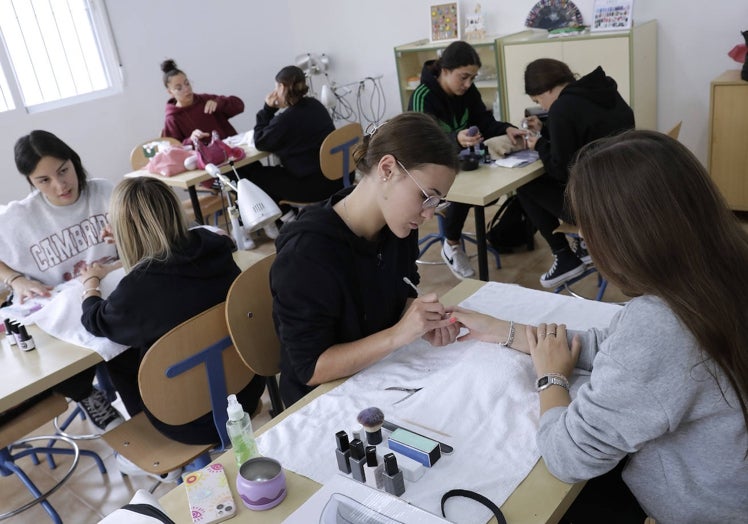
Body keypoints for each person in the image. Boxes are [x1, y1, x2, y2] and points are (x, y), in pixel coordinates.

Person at [450, 130, 748, 523]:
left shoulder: (662, 326)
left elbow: (567, 455)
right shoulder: (721, 266)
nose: (583, 239)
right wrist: (506, 331)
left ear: (627, 236)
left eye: (586, 230)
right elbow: (617, 346)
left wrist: (551, 379)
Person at [271, 112, 461, 407]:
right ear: (387, 169)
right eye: (426, 196)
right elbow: (310, 368)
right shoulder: (306, 255)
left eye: (436, 203)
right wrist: (399, 334)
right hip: (324, 400)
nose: (428, 214)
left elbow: (397, 295)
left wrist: (424, 318)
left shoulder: (396, 226)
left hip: (375, 372)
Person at [79, 178, 265, 471]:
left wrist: (91, 283)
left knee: (120, 357)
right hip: (247, 390)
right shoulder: (215, 246)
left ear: (123, 232)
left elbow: (95, 320)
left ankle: (167, 460)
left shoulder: (136, 291)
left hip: (188, 423)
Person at [0, 130, 123, 431]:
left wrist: (124, 235)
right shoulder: (19, 217)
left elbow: (145, 240)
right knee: (54, 350)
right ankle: (87, 394)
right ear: (31, 182)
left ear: (73, 162)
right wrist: (15, 279)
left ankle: (145, 417)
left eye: (63, 171)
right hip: (65, 310)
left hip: (110, 296)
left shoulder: (105, 192)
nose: (60, 185)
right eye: (44, 181)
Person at [408, 40, 524, 280]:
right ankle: (451, 244)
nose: (468, 84)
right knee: (460, 186)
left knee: (476, 181)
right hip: (427, 167)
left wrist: (508, 129)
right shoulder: (423, 95)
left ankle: (453, 240)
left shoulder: (468, 92)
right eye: (463, 77)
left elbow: (485, 122)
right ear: (445, 70)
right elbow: (421, 142)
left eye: (473, 78)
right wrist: (455, 139)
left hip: (461, 163)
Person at [519, 58, 634, 288]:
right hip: (627, 191)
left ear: (547, 88)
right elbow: (584, 134)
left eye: (538, 99)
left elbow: (560, 171)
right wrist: (547, 129)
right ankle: (581, 248)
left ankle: (564, 256)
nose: (542, 107)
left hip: (597, 207)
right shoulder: (603, 89)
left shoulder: (562, 108)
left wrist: (539, 144)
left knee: (526, 186)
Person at [244, 65, 339, 219]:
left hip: (314, 186)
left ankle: (288, 218)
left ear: (282, 87)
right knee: (268, 172)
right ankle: (288, 215)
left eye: (276, 87)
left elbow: (260, 142)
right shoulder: (316, 105)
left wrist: (268, 109)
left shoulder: (286, 120)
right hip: (337, 177)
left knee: (253, 176)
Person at [160, 58, 244, 146]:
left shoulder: (205, 99)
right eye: (179, 88)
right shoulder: (172, 118)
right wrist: (191, 140)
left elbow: (240, 106)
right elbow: (174, 149)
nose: (186, 89)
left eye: (187, 83)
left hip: (234, 151)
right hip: (204, 158)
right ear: (170, 92)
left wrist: (219, 103)